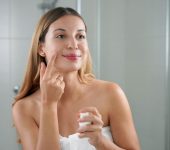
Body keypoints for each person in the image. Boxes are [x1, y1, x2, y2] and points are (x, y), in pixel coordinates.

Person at [12, 7, 140, 150]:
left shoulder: (111, 93)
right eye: (61, 36)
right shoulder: (24, 108)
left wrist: (100, 142)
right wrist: (48, 105)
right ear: (41, 48)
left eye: (80, 36)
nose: (73, 44)